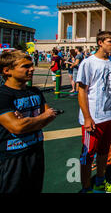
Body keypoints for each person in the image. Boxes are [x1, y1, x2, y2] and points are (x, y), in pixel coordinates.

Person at [0, 50, 57, 193]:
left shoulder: (35, 92)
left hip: (35, 152)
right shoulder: (3, 95)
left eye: (31, 65)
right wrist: (40, 118)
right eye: (25, 66)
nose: (32, 69)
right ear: (7, 71)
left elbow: (50, 116)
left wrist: (26, 121)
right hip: (11, 157)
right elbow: (17, 127)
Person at [76, 31, 111, 193]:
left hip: (110, 116)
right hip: (94, 118)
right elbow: (81, 91)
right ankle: (86, 188)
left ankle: (100, 182)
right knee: (88, 155)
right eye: (110, 41)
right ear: (100, 42)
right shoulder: (88, 63)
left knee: (104, 151)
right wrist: (87, 117)